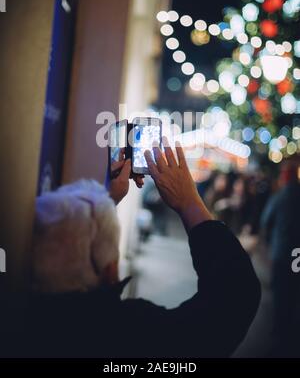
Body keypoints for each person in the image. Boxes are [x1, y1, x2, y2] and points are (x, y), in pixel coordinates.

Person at [3, 139, 261, 358]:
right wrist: (189, 202)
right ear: (110, 270)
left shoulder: (16, 324)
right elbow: (233, 300)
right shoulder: (128, 334)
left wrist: (104, 203)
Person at [260, 159, 300, 357]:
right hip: (297, 254)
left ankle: (280, 329)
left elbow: (266, 220)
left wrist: (267, 244)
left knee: (280, 291)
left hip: (281, 252)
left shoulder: (279, 196)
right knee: (294, 289)